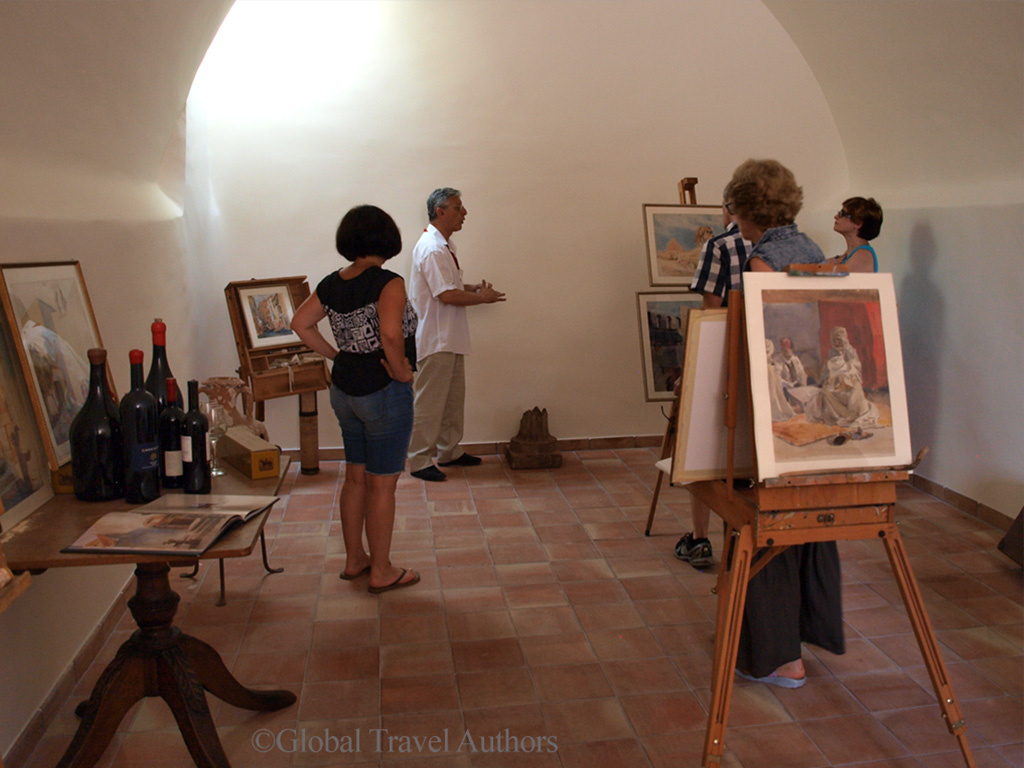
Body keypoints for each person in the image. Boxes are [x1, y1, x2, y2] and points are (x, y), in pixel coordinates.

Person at [727, 158, 845, 688]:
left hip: (773, 428)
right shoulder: (814, 250)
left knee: (767, 530)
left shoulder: (762, 260)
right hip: (811, 432)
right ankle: (793, 644)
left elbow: (757, 344)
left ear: (746, 210)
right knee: (806, 527)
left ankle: (778, 657)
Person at [291, 205, 420, 594]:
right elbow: (392, 335)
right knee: (383, 484)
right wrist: (400, 371)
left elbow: (300, 322)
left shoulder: (332, 282)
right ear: (386, 238)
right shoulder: (388, 282)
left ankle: (355, 559)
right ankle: (381, 570)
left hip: (344, 389)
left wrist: (335, 356)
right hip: (381, 390)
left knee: (355, 476)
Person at [674, 182, 753, 569]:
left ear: (729, 208)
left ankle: (702, 539)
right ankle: (747, 539)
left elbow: (711, 314)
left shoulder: (720, 246)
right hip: (768, 365)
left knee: (704, 454)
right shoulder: (783, 248)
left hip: (726, 361)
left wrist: (692, 371)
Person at [407, 188, 506, 482]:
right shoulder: (433, 248)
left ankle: (448, 450)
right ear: (441, 211)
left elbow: (449, 288)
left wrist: (473, 288)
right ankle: (419, 460)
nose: (464, 213)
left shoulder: (444, 246)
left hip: (449, 337)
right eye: (458, 208)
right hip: (436, 338)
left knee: (451, 399)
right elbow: (446, 296)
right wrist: (483, 299)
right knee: (429, 403)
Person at [830, 196, 883, 273]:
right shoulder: (852, 253)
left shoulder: (862, 255)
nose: (836, 216)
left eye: (842, 213)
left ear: (858, 223)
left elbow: (838, 284)